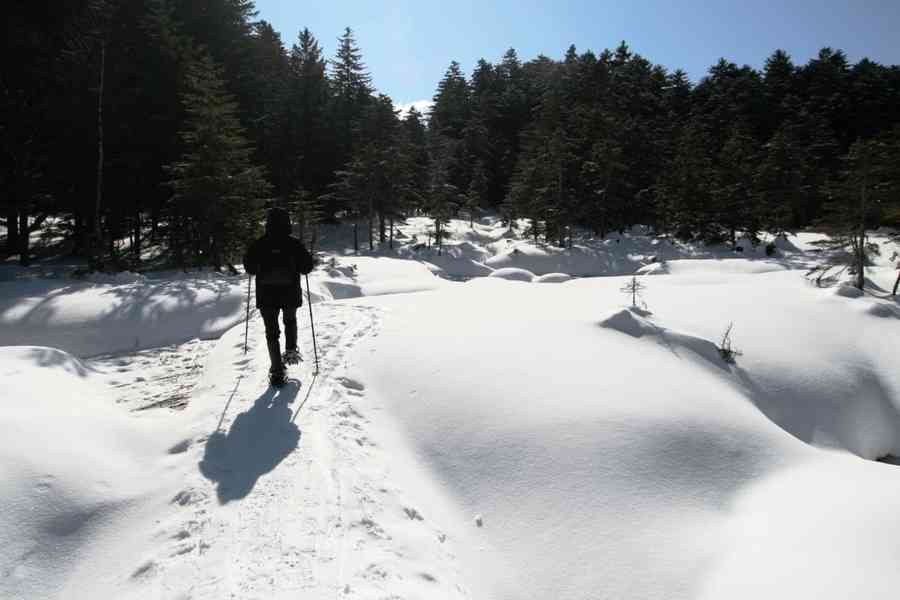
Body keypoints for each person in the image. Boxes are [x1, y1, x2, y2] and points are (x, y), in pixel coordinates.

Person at [243, 208, 314, 387]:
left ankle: (277, 371)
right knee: (290, 320)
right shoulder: (293, 243)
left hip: (266, 295)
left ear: (268, 223)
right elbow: (306, 268)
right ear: (287, 222)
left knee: (271, 332)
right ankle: (290, 350)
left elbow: (250, 268)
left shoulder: (259, 244)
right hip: (290, 293)